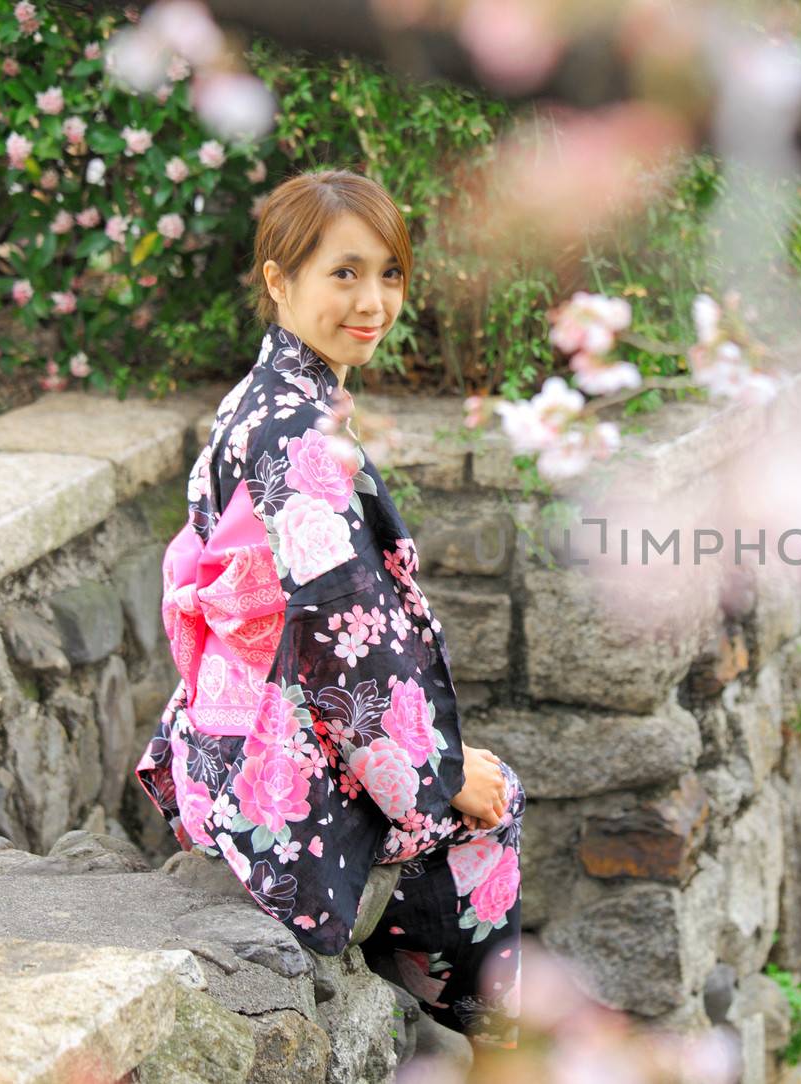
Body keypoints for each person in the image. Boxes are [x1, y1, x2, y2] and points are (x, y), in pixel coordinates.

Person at [134, 168, 524, 1048]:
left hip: (223, 740)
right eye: (343, 273)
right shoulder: (300, 434)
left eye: (388, 273)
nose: (373, 301)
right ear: (279, 280)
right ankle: (488, 1041)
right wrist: (443, 774)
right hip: (277, 788)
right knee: (492, 806)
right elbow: (346, 648)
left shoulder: (260, 403)